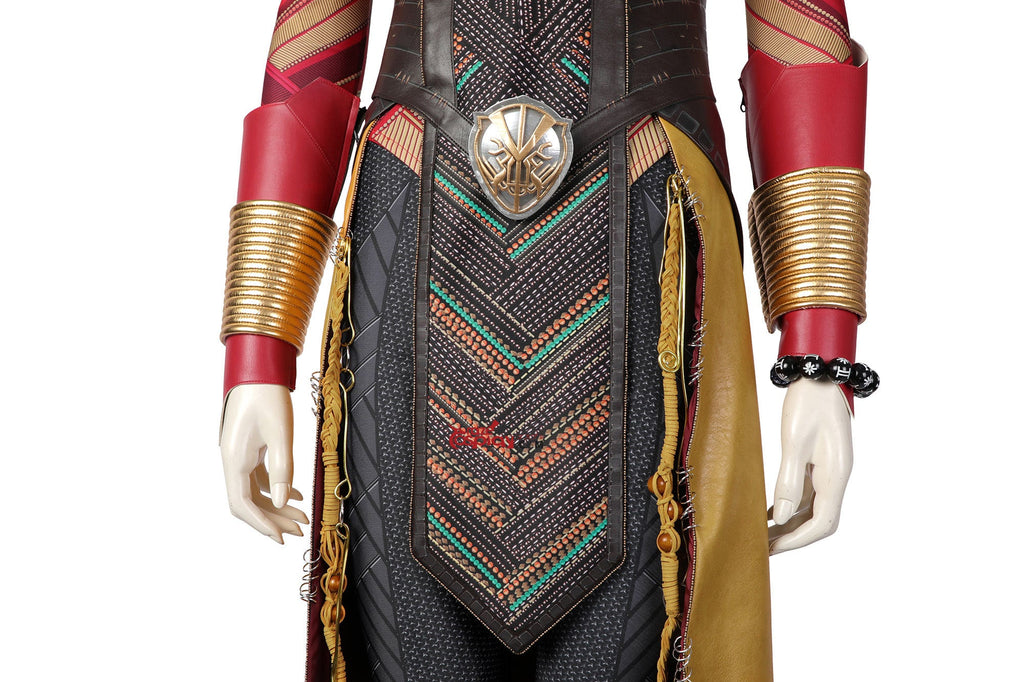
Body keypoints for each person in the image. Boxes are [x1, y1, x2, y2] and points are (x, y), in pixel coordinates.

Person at [218, 1, 874, 680]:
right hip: (417, 224)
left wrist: (821, 354)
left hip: (647, 226)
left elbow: (797, 29)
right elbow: (316, 27)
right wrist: (260, 343)